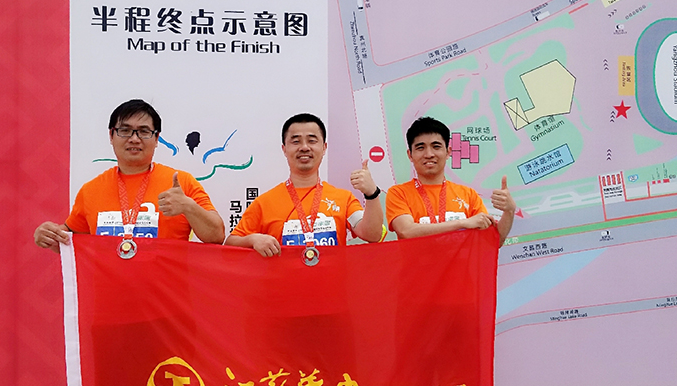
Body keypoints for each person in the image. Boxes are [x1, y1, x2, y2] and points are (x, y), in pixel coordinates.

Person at [34, 99, 224, 251]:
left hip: (167, 289)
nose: (134, 138)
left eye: (143, 131)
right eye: (125, 131)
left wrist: (188, 207)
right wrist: (48, 235)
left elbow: (216, 236)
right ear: (111, 136)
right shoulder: (90, 190)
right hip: (108, 288)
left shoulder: (182, 183)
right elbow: (70, 243)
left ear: (157, 138)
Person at [225, 113, 383, 256]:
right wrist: (253, 239)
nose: (304, 147)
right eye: (296, 141)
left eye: (312, 141)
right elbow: (230, 244)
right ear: (284, 149)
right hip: (282, 280)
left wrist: (372, 194)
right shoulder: (265, 203)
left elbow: (372, 235)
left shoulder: (343, 199)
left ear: (324, 147)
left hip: (333, 279)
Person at [385, 117, 515, 247]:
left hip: (463, 262)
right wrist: (462, 223)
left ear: (448, 152)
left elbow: (492, 242)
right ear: (410, 155)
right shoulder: (398, 193)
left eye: (436, 146)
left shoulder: (468, 194)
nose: (429, 154)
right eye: (420, 147)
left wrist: (509, 211)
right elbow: (406, 231)